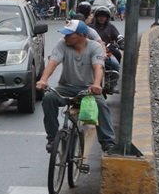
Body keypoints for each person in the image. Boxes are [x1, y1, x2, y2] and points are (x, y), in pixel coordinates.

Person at [36, 20, 116, 154]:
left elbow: (98, 67)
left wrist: (96, 84)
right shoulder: (62, 44)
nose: (65, 37)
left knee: (101, 106)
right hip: (66, 86)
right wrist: (43, 80)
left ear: (81, 35)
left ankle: (108, 143)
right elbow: (53, 62)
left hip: (89, 88)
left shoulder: (94, 46)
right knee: (49, 99)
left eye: (69, 35)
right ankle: (52, 139)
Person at [88, 8, 122, 72]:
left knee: (116, 65)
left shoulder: (110, 27)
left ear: (107, 18)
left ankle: (113, 81)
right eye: (100, 16)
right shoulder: (90, 28)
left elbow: (118, 36)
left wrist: (121, 42)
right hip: (92, 53)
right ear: (96, 17)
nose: (101, 18)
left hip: (107, 53)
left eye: (104, 16)